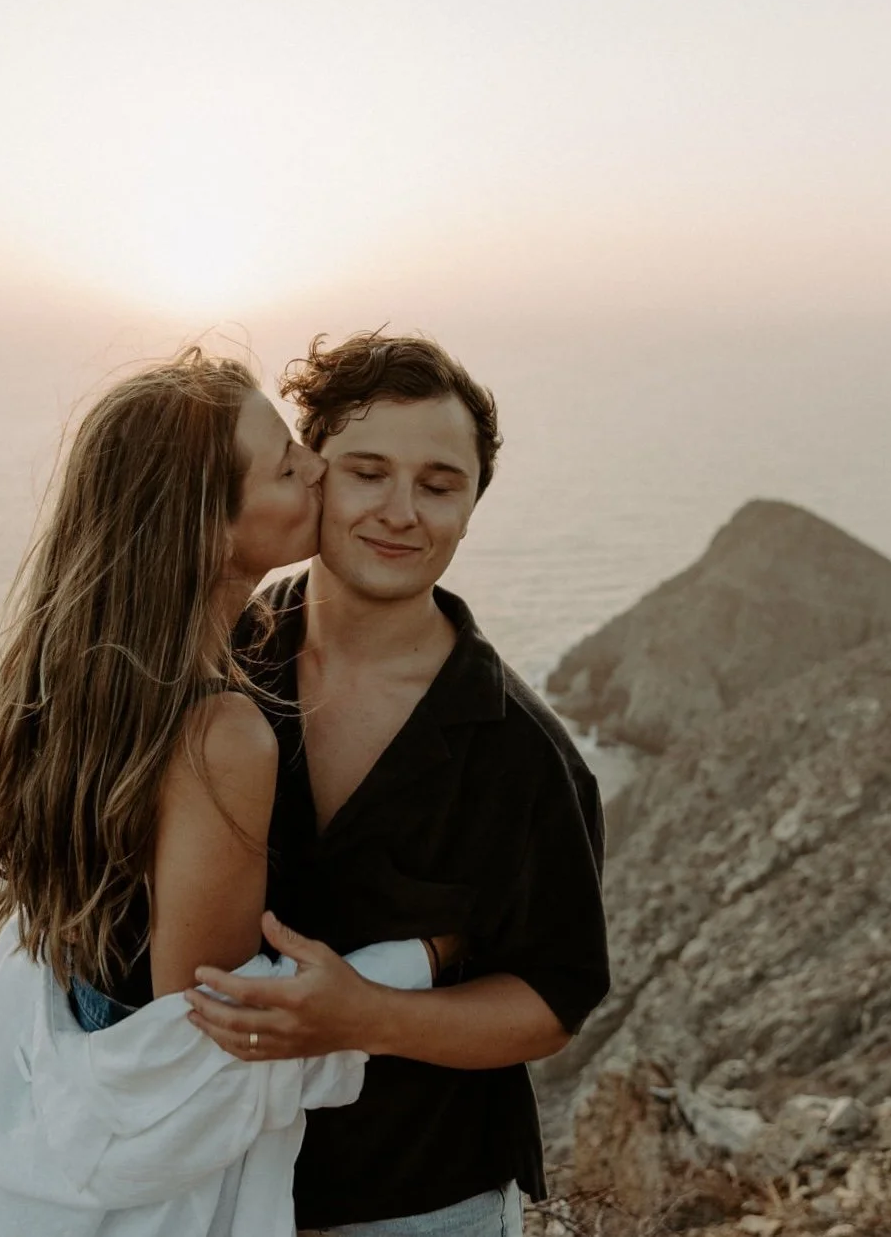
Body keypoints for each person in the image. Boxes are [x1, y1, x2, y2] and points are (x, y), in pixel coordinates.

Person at [0, 348, 451, 1237]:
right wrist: (431, 958)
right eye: (286, 463)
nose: (319, 464)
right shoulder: (221, 734)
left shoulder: (76, 675)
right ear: (209, 524)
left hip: (61, 1063)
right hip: (141, 1150)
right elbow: (210, 1030)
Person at [189, 332, 612, 1236]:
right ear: (312, 477)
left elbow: (550, 1003)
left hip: (420, 1202)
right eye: (367, 471)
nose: (400, 512)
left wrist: (364, 1016)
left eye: (438, 484)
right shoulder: (215, 671)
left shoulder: (524, 756)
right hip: (207, 1184)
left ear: (470, 507)